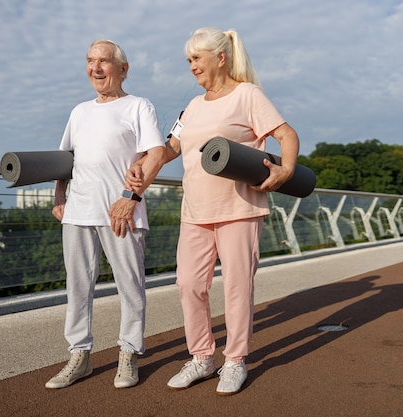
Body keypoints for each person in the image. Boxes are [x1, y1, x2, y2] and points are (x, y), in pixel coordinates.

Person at [128, 27, 300, 395]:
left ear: (220, 58)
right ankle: (202, 358)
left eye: (197, 58)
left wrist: (285, 169)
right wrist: (142, 162)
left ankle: (235, 361)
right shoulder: (191, 106)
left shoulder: (247, 95)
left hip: (239, 208)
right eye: (188, 60)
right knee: (188, 284)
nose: (191, 66)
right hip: (195, 210)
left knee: (237, 288)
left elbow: (286, 135)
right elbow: (171, 149)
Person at [45, 39, 165, 389]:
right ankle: (78, 356)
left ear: (122, 69)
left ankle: (128, 354)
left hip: (121, 213)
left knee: (130, 286)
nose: (96, 68)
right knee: (77, 288)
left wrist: (132, 197)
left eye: (104, 62)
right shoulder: (79, 111)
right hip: (78, 212)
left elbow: (155, 154)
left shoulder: (139, 106)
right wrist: (59, 196)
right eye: (90, 61)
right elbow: (64, 159)